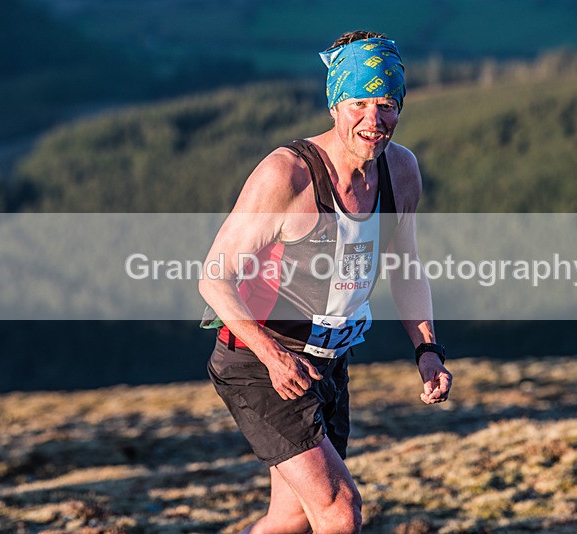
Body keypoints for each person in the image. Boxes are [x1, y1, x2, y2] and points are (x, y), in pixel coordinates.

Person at [199, 30, 452, 533]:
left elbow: (406, 266)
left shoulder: (401, 171)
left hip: (326, 362)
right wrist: (272, 357)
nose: (373, 120)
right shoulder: (287, 175)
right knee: (339, 507)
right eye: (358, 102)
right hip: (260, 358)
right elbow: (213, 279)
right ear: (335, 103)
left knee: (291, 516)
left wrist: (428, 350)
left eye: (386, 104)